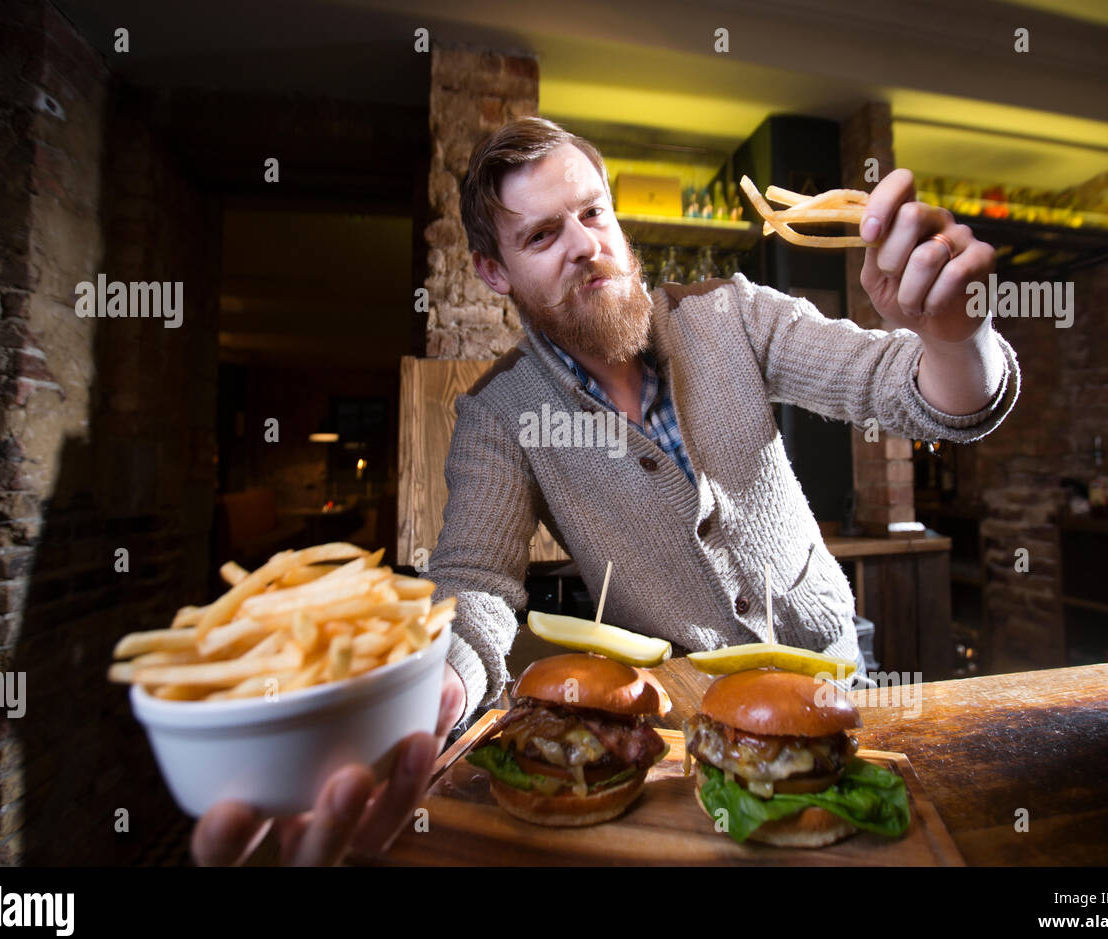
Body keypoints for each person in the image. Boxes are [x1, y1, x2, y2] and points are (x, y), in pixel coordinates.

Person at [193, 115, 1020, 865]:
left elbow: (909, 390)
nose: (585, 244)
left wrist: (957, 336)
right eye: (544, 233)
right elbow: (476, 582)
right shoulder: (498, 414)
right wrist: (438, 687)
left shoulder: (732, 314)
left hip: (839, 681)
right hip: (670, 729)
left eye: (593, 214)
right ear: (493, 270)